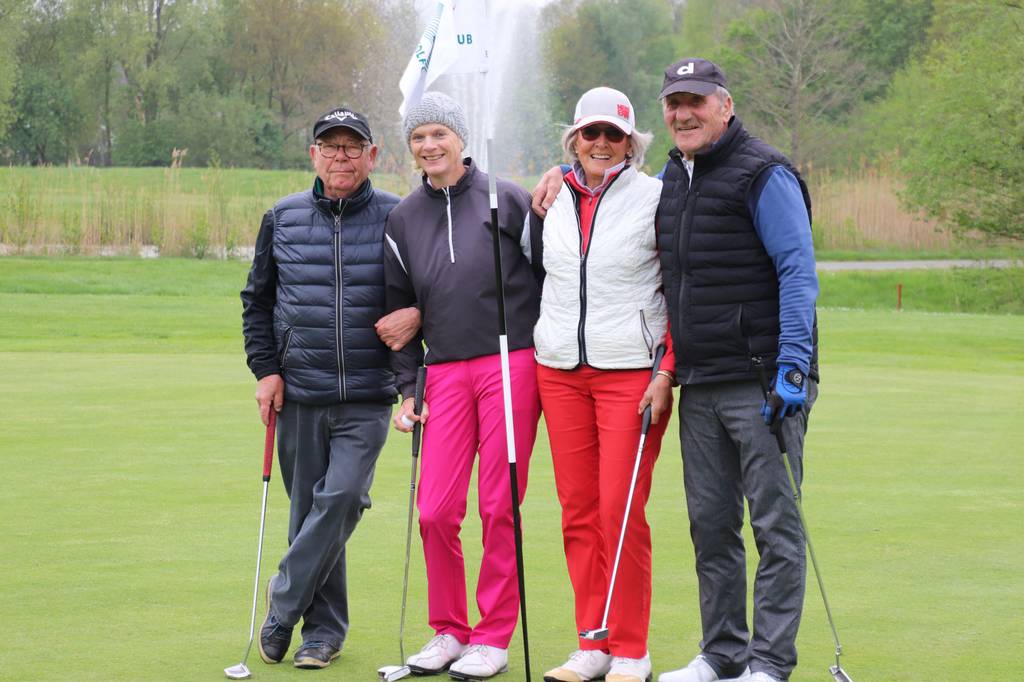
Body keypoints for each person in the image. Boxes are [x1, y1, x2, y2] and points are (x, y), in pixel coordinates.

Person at [533, 58, 819, 682]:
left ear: (725, 104)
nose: (685, 113)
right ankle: (723, 653)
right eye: (675, 102)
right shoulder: (676, 178)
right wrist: (558, 173)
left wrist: (794, 368)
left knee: (773, 523)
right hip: (700, 378)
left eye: (697, 101)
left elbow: (797, 270)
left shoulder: (763, 172)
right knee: (711, 526)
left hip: (764, 376)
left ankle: (769, 663)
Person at [241, 106, 420, 670]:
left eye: (352, 146)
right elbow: (257, 302)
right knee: (310, 517)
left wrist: (414, 330)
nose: (341, 156)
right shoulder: (282, 217)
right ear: (313, 155)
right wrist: (266, 370)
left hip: (368, 392)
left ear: (372, 155)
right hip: (300, 391)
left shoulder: (399, 216)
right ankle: (321, 635)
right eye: (330, 146)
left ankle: (283, 602)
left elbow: (427, 291)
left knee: (341, 500)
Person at [384, 91, 543, 681]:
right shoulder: (403, 218)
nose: (429, 146)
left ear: (460, 138)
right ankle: (449, 629)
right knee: (435, 510)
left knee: (499, 505)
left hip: (511, 362)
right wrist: (409, 389)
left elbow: (550, 275)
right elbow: (399, 314)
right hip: (444, 371)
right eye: (418, 137)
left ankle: (492, 635)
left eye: (439, 134)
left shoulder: (507, 198)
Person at [532, 87, 675, 682]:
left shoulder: (658, 198)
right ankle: (592, 642)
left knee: (621, 511)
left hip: (632, 375)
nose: (601, 144)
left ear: (631, 143)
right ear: (574, 140)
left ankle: (631, 649)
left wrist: (667, 368)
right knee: (578, 513)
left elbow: (682, 289)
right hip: (560, 371)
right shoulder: (551, 197)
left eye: (613, 134)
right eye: (590, 133)